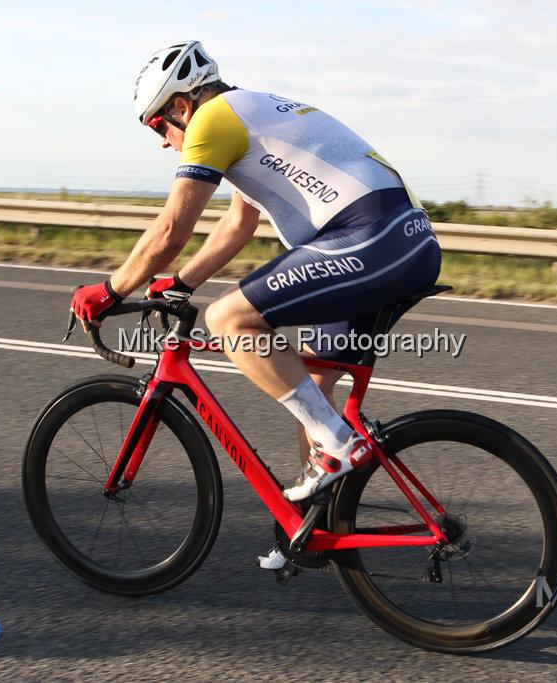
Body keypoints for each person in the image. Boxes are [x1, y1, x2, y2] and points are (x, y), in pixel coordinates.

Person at [69, 40, 442, 568]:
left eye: (158, 127)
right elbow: (238, 223)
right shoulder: (248, 114)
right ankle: (319, 529)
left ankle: (341, 448)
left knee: (229, 320)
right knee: (312, 389)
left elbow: (174, 227)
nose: (162, 142)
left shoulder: (211, 120)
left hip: (371, 241)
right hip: (397, 241)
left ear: (180, 106)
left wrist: (111, 290)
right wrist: (181, 282)